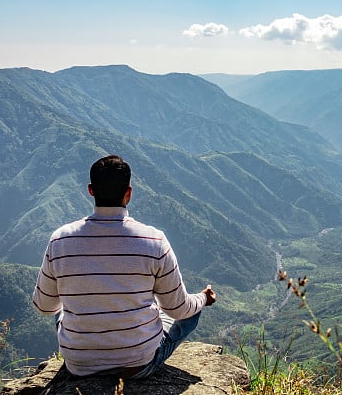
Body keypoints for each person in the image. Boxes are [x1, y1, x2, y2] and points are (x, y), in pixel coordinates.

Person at [32, 154, 216, 378]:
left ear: (91, 190)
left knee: (61, 306)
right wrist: (204, 298)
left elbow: (43, 307)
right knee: (191, 310)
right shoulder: (154, 240)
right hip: (138, 366)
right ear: (128, 193)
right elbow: (178, 309)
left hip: (79, 366)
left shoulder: (60, 239)